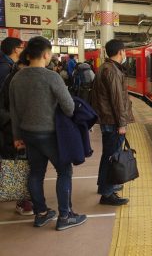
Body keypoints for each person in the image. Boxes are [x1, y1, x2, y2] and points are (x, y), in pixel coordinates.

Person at [9, 36, 87, 231]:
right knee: (64, 171)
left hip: (28, 133)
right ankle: (65, 216)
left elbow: (14, 110)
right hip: (51, 135)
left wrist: (17, 136)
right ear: (45, 54)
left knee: (36, 173)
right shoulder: (52, 77)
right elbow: (69, 108)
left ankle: (41, 214)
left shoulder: (17, 78)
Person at [91, 39, 134, 206]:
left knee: (108, 156)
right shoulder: (113, 71)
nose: (125, 54)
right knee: (112, 157)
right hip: (113, 122)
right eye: (124, 51)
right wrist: (122, 124)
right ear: (120, 52)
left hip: (107, 120)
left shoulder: (104, 68)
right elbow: (117, 101)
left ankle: (105, 186)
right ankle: (108, 194)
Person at [0, 50, 33, 216]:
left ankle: (27, 200)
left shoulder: (13, 76)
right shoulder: (15, 78)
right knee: (21, 164)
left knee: (24, 165)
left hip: (16, 128)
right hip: (14, 129)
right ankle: (24, 201)